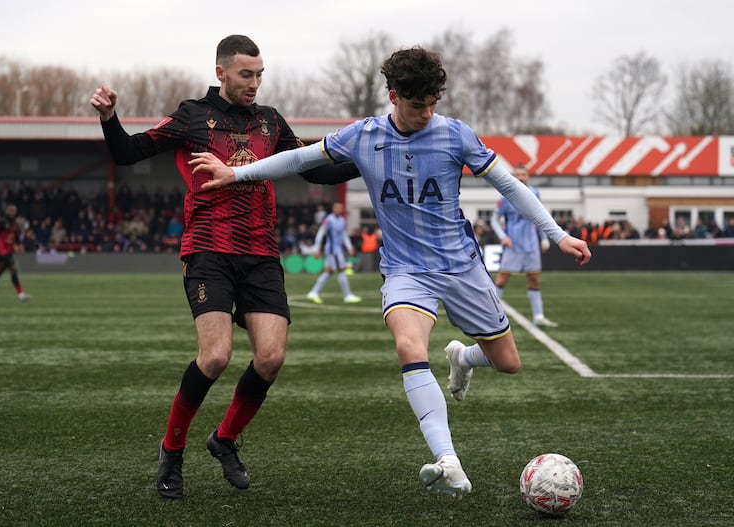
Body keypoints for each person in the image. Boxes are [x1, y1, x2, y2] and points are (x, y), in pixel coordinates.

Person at [189, 46, 591, 498]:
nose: (427, 113)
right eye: (418, 105)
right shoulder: (363, 135)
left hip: (461, 265)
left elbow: (510, 186)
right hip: (405, 269)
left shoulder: (456, 135)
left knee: (508, 363)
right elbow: (299, 160)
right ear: (393, 96)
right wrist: (236, 173)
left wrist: (557, 235)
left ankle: (461, 357)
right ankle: (448, 459)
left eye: (432, 104)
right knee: (407, 344)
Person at [90, 34, 358, 500]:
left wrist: (369, 160)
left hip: (261, 255)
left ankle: (225, 439)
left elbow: (314, 169)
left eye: (259, 75)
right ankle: (172, 449)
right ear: (221, 73)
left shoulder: (272, 122)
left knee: (271, 358)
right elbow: (127, 152)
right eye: (245, 75)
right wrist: (110, 118)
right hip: (208, 251)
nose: (254, 83)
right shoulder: (192, 116)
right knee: (214, 356)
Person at [489, 163, 557, 328]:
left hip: (531, 244)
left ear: (528, 177)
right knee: (502, 278)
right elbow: (494, 220)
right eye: (517, 174)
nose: (520, 177)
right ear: (513, 177)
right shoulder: (505, 196)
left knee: (534, 279)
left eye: (523, 175)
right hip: (513, 245)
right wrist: (503, 236)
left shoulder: (534, 193)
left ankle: (538, 316)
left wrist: (544, 238)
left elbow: (540, 216)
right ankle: (490, 315)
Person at [306, 201, 361, 304]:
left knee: (329, 271)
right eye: (337, 207)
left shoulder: (342, 220)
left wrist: (349, 246)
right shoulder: (329, 220)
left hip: (337, 249)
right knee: (341, 270)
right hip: (332, 250)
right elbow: (321, 233)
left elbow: (343, 235)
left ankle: (313, 292)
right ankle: (347, 295)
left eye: (340, 208)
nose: (339, 209)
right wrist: (317, 249)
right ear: (333, 209)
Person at [0, 204, 30, 303]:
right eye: (11, 210)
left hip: (9, 250)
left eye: (14, 210)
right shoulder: (2, 222)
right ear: (7, 211)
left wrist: (19, 244)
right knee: (13, 269)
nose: (13, 212)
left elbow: (16, 236)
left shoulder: (15, 223)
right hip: (2, 250)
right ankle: (21, 294)